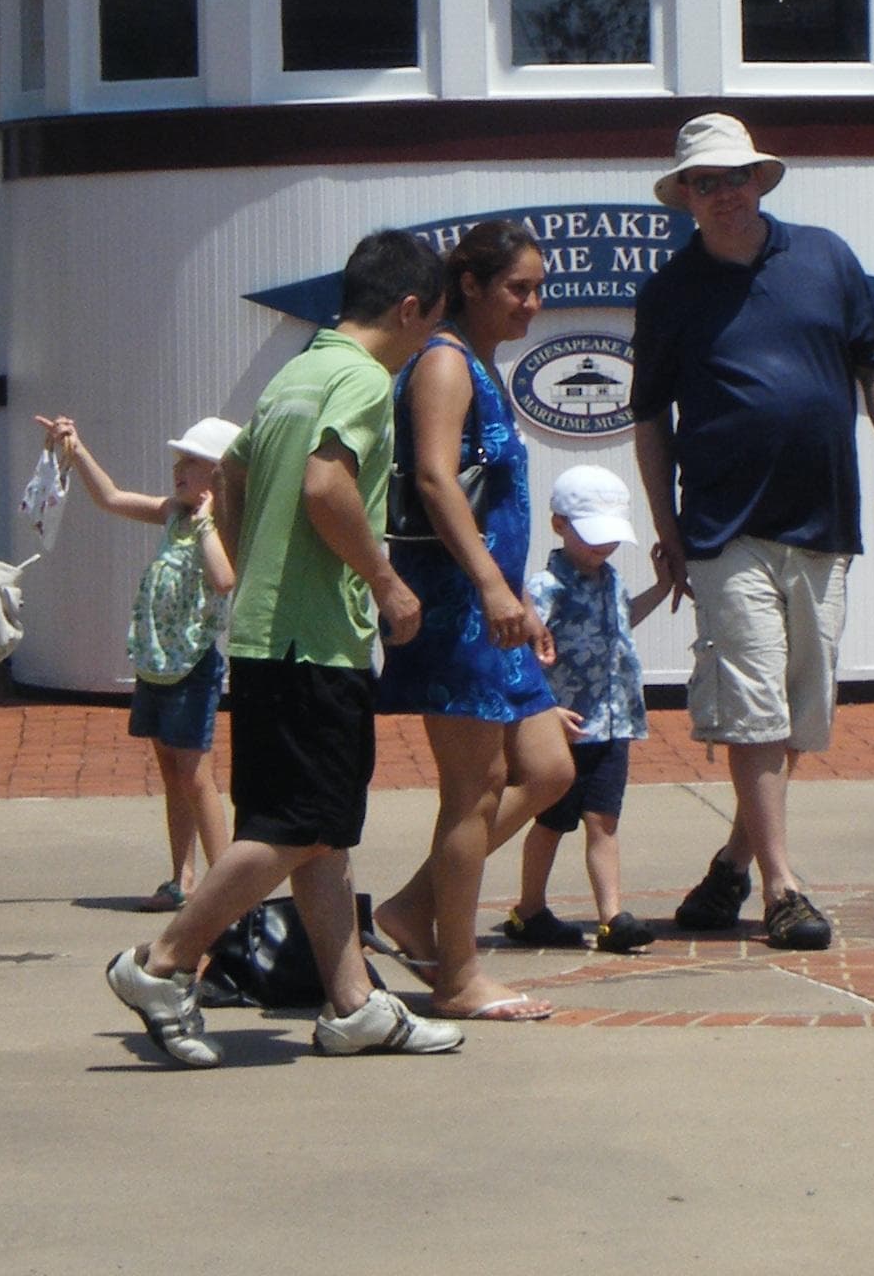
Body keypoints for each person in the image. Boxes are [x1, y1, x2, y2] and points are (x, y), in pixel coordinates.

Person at [104, 228, 465, 1067]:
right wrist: (384, 579)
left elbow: (232, 470)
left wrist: (254, 557)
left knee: (318, 830)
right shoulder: (363, 380)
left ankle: (353, 1004)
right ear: (409, 309)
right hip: (316, 640)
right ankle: (161, 963)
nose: (425, 348)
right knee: (301, 825)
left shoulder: (292, 373)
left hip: (266, 634)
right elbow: (327, 484)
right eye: (428, 329)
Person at [630, 112, 874, 953]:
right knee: (756, 708)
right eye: (704, 182)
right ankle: (782, 888)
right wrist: (670, 529)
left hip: (824, 523)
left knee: (800, 713)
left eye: (734, 177)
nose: (723, 194)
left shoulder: (826, 257)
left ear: (760, 179)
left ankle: (730, 863)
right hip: (726, 529)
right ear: (684, 196)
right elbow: (650, 417)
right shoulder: (669, 292)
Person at [366, 221, 579, 1022]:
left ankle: (413, 909)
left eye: (537, 288)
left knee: (550, 769)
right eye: (519, 288)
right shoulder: (446, 362)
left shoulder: (481, 363)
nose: (533, 303)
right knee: (475, 787)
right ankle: (456, 977)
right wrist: (493, 588)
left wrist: (519, 600)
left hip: (496, 607)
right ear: (471, 286)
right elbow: (432, 478)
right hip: (459, 607)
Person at [44, 411, 240, 908]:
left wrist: (203, 525)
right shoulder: (171, 512)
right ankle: (182, 877)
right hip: (156, 662)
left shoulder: (216, 525)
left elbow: (224, 580)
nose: (180, 470)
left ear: (218, 473)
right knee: (172, 772)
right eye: (179, 460)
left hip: (193, 664)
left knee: (197, 775)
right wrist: (78, 450)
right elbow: (110, 498)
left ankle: (226, 886)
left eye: (193, 463)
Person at [505, 464, 672, 953]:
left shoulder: (611, 580)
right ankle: (529, 909)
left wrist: (661, 588)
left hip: (612, 723)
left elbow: (622, 624)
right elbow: (517, 649)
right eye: (590, 536)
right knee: (552, 821)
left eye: (610, 538)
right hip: (566, 729)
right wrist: (543, 709)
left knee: (604, 821)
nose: (603, 547)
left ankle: (612, 916)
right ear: (559, 525)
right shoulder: (543, 588)